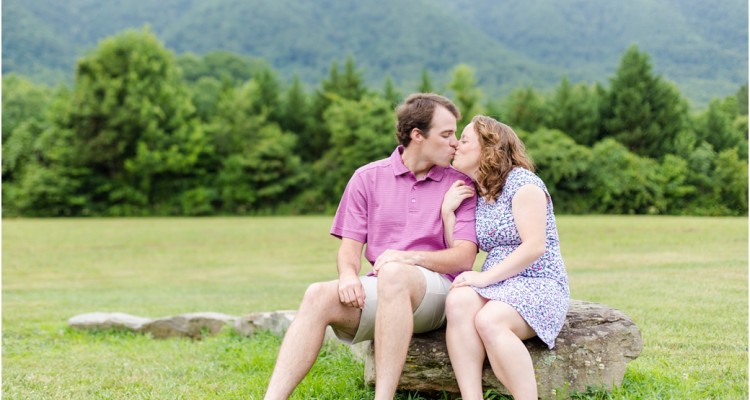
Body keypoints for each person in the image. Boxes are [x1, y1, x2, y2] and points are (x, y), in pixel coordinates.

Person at [264, 93, 479, 400]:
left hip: (438, 294)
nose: (455, 143)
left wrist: (407, 258)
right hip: (385, 287)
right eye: (446, 135)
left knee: (394, 273)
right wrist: (348, 276)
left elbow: (465, 257)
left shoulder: (460, 184)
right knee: (317, 294)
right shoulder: (367, 178)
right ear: (417, 135)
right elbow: (349, 249)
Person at [441, 115, 570, 400]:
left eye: (464, 140)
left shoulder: (524, 184)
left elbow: (535, 246)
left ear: (489, 147)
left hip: (539, 281)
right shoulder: (479, 192)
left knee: (490, 320)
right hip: (500, 284)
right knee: (458, 300)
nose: (456, 145)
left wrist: (484, 278)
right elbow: (462, 251)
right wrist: (447, 213)